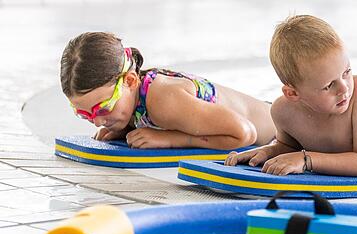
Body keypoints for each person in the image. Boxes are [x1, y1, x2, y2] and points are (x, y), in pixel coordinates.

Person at [225, 15, 357, 191]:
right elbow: (289, 146)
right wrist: (267, 152)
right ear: (293, 93)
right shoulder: (282, 111)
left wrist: (305, 160)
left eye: (346, 72)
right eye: (328, 86)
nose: (344, 87)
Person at [61, 32, 275, 150]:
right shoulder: (133, 99)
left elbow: (245, 134)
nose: (97, 122)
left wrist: (171, 139)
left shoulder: (164, 101)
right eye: (84, 114)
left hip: (284, 132)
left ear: (130, 80)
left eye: (103, 108)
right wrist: (125, 126)